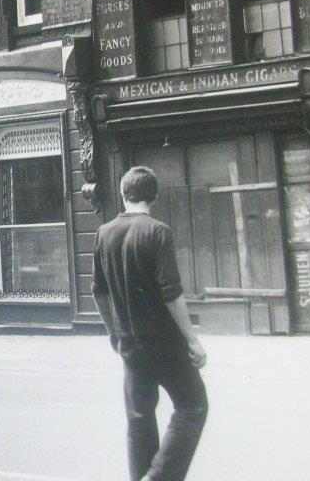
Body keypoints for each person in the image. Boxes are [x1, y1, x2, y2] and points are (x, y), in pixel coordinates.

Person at [92, 166, 208, 481]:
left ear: (123, 194)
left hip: (129, 341)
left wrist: (113, 333)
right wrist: (192, 340)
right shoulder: (158, 231)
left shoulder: (104, 233)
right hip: (165, 341)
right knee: (193, 406)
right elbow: (172, 293)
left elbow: (98, 292)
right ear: (153, 196)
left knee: (139, 418)